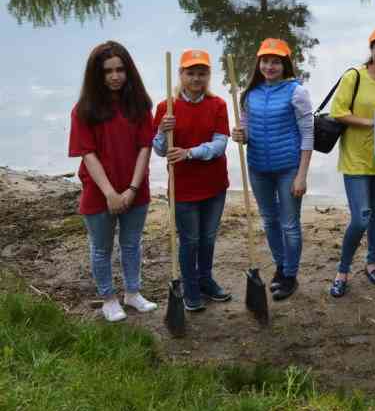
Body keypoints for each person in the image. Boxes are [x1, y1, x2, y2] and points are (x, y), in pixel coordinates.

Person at [68, 41, 158, 323]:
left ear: (129, 71)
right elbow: (87, 153)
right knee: (102, 247)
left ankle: (133, 293)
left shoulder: (140, 106)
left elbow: (146, 147)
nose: (115, 76)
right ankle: (108, 298)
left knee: (131, 244)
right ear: (97, 74)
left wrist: (131, 188)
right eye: (108, 71)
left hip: (135, 189)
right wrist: (110, 193)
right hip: (99, 192)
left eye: (120, 69)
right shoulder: (83, 110)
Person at [230, 38, 313, 302]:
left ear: (285, 64)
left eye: (275, 61)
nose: (269, 66)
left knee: (289, 224)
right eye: (265, 61)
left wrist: (302, 174)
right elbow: (246, 129)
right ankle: (280, 265)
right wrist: (239, 135)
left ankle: (290, 275)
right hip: (258, 169)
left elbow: (307, 133)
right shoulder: (249, 93)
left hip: (288, 168)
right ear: (258, 63)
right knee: (269, 220)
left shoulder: (296, 92)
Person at [328, 27, 375, 298]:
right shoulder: (354, 76)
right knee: (360, 218)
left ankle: (372, 262)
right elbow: (338, 112)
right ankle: (343, 269)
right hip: (355, 158)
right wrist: (370, 122)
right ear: (371, 49)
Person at [153, 49, 232, 312]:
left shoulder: (218, 104)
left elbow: (220, 145)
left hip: (214, 185)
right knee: (190, 240)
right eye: (191, 73)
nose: (196, 78)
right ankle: (190, 286)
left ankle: (205, 279)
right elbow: (160, 149)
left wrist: (189, 153)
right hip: (183, 187)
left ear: (208, 75)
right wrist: (164, 131)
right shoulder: (166, 108)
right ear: (181, 75)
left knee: (208, 238)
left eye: (202, 73)